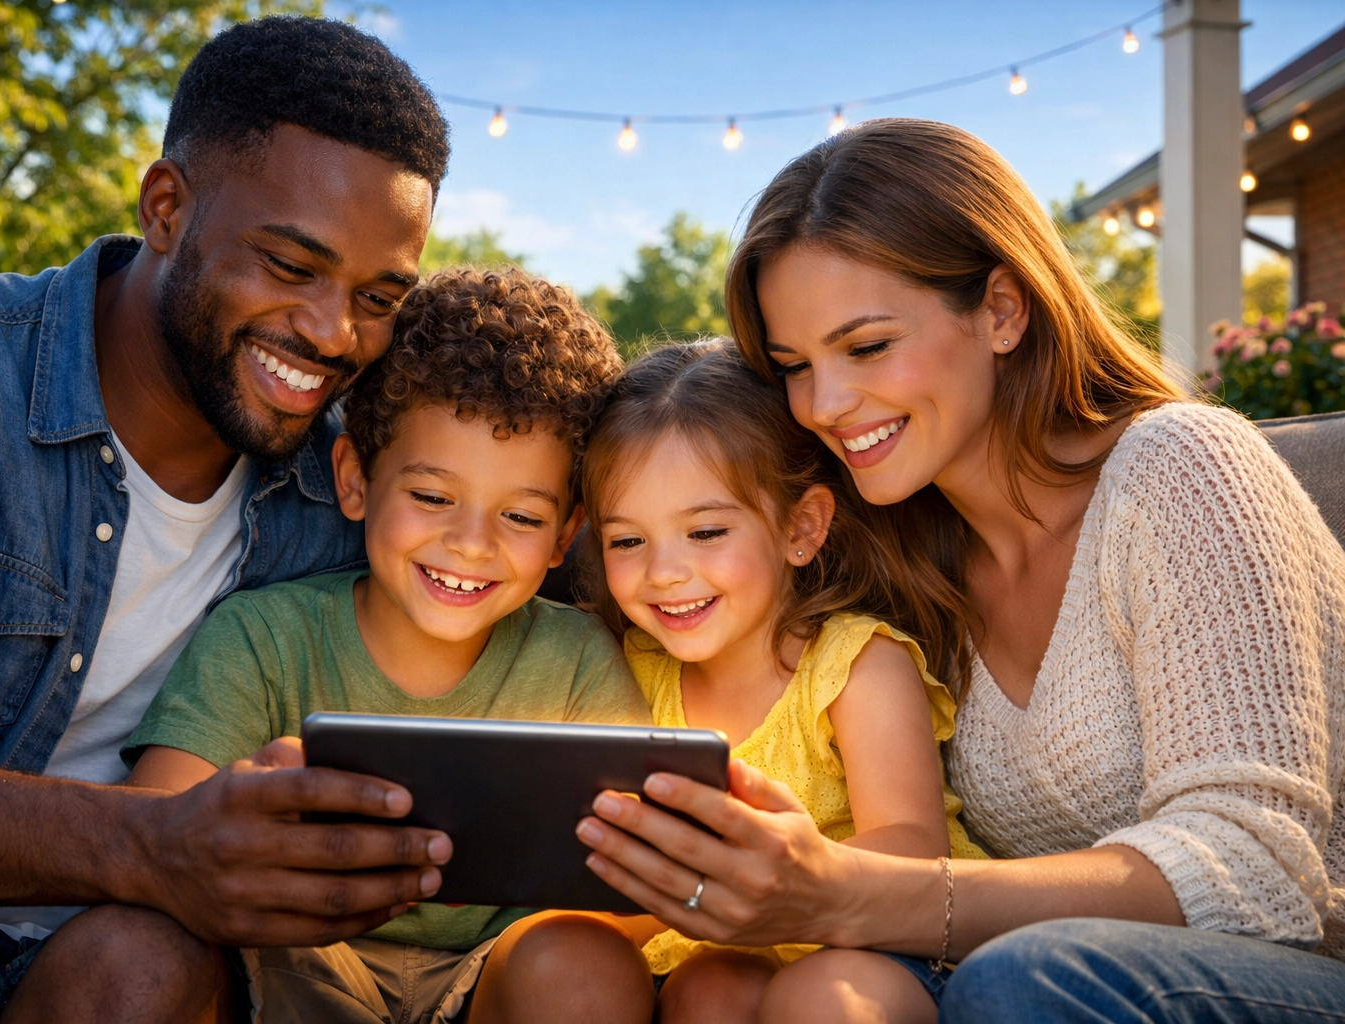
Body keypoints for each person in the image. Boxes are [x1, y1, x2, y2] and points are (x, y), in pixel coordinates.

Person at [573, 118, 1345, 1022]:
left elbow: (1261, 865)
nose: (823, 405)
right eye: (793, 366)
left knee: (1019, 978)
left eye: (865, 348)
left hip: (1295, 969)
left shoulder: (1182, 467)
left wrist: (843, 891)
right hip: (1020, 981)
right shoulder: (904, 551)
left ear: (1003, 311)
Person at [0, 17, 463, 1024]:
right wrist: (151, 844)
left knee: (146, 954)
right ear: (166, 208)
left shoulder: (360, 489)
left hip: (129, 964)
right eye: (290, 266)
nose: (334, 333)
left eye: (377, 296)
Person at [60, 266, 654, 1024]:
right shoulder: (264, 637)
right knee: (143, 937)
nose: (470, 545)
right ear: (356, 482)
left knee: (585, 963)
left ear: (565, 536)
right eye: (433, 498)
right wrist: (253, 808)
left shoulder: (578, 660)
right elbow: (161, 825)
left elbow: (636, 896)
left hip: (494, 974)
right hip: (293, 956)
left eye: (522, 517)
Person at [573, 339, 985, 1024]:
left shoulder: (854, 666)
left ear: (801, 527)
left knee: (817, 999)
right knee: (710, 989)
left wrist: (777, 874)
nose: (664, 572)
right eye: (627, 540)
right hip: (719, 951)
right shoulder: (633, 670)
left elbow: (915, 848)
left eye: (705, 532)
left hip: (880, 946)